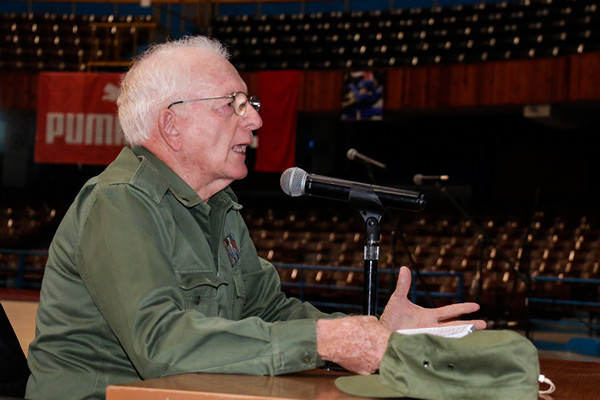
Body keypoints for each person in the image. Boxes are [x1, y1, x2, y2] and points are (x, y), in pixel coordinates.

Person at [25, 35, 486, 400]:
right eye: (233, 104)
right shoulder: (120, 202)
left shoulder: (219, 206)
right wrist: (326, 341)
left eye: (250, 105)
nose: (255, 122)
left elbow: (270, 312)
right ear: (172, 125)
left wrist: (374, 332)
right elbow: (161, 345)